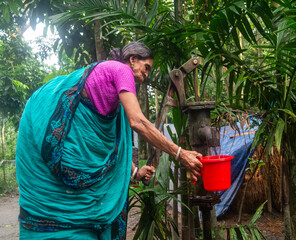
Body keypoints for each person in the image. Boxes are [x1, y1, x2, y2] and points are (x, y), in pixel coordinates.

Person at [15, 41, 203, 239]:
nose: (147, 75)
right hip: (72, 154)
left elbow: (115, 149)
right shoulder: (121, 70)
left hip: (77, 159)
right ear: (132, 60)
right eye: (146, 67)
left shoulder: (116, 97)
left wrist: (136, 173)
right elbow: (137, 121)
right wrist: (180, 154)